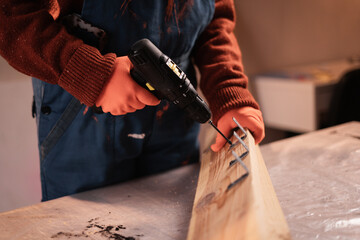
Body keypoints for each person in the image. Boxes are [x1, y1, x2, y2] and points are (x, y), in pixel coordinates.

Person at [0, 0, 265, 201]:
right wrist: (93, 75)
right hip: (83, 113)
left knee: (175, 216)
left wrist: (229, 91)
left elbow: (215, 18)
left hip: (175, 117)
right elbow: (11, 16)